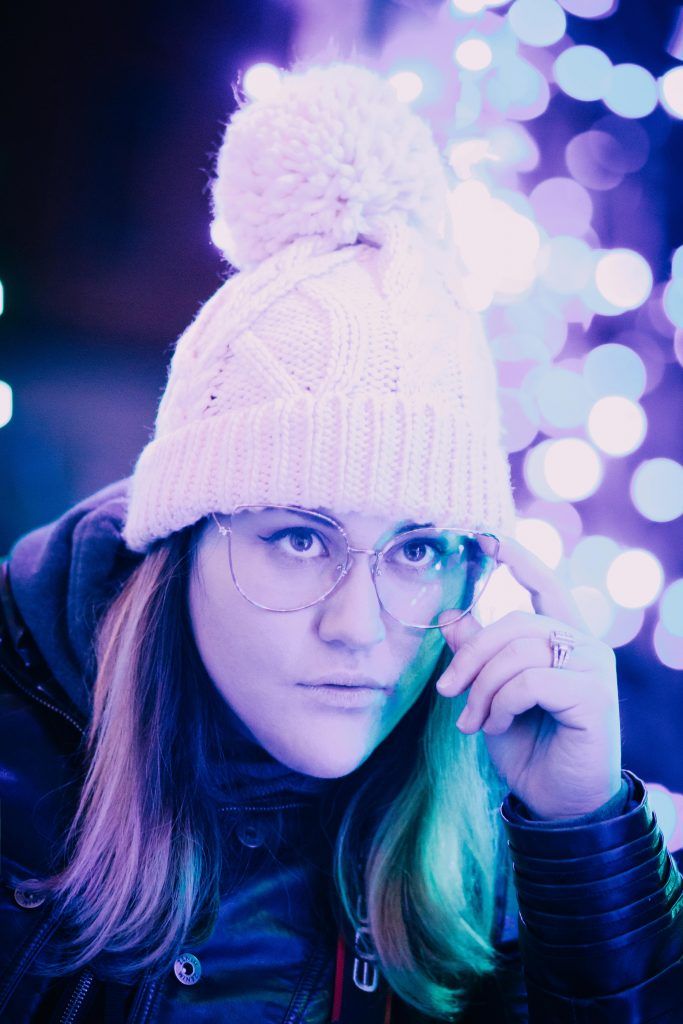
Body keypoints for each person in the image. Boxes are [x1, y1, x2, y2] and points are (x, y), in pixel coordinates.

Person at [1, 61, 681, 1024]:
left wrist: (581, 834)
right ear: (181, 543)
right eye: (297, 537)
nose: (359, 628)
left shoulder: (496, 823)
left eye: (416, 550)